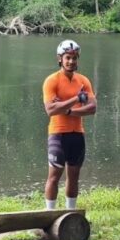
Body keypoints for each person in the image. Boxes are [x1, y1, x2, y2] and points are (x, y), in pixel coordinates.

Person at [42, 39, 97, 210]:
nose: (71, 61)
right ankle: (49, 214)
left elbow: (93, 108)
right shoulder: (52, 80)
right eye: (68, 58)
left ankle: (70, 213)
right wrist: (76, 99)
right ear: (60, 58)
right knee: (54, 176)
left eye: (74, 58)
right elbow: (50, 109)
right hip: (58, 134)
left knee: (73, 176)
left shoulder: (83, 81)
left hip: (77, 133)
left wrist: (67, 110)